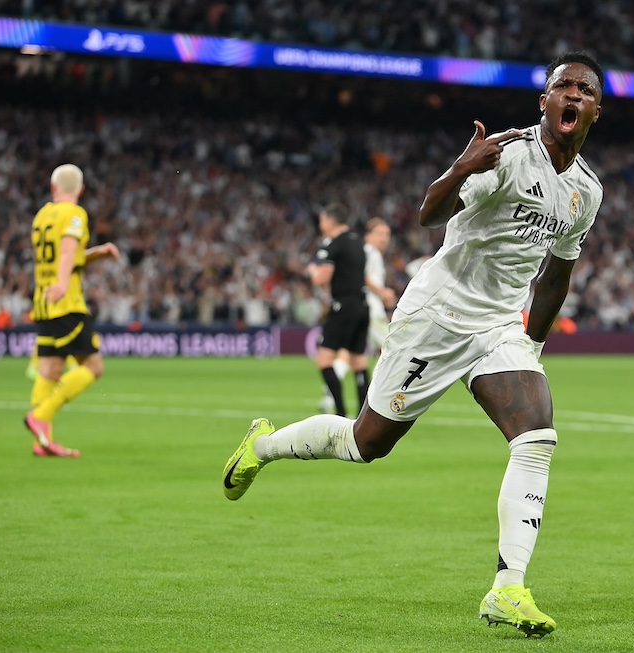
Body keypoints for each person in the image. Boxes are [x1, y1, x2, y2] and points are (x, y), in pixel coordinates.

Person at [222, 50, 605, 638]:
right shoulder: (506, 158)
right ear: (544, 101)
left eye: (584, 89)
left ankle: (508, 589)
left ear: (595, 109)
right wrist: (460, 167)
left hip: (499, 326)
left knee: (536, 437)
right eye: (563, 87)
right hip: (436, 315)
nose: (573, 96)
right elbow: (429, 214)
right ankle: (263, 446)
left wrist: (531, 345)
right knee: (366, 442)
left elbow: (557, 273)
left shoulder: (585, 192)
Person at [25, 164, 120, 456]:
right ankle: (40, 417)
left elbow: (67, 257)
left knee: (50, 369)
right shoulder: (75, 214)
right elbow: (66, 252)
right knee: (93, 367)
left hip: (43, 302)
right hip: (67, 304)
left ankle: (42, 442)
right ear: (80, 189)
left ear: (54, 188)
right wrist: (64, 282)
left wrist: (97, 253)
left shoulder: (42, 216)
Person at [307, 203, 370, 417]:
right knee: (358, 361)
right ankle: (363, 415)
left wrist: (313, 271)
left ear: (331, 221)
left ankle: (340, 414)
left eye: (322, 219)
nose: (320, 224)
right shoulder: (357, 242)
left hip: (343, 305)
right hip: (362, 304)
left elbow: (322, 279)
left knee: (324, 360)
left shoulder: (332, 245)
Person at [329, 216, 396, 389]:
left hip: (359, 307)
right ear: (368, 235)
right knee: (390, 349)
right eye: (379, 233)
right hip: (371, 309)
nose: (384, 238)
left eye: (387, 234)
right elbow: (361, 276)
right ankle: (381, 390)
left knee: (349, 352)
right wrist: (382, 292)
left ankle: (331, 389)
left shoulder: (366, 251)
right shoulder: (369, 252)